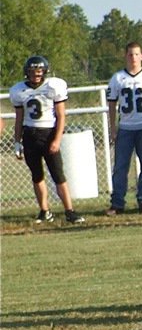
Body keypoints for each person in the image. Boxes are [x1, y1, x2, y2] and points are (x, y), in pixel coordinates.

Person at [9, 55, 85, 224]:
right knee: (37, 175)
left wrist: (57, 139)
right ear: (27, 73)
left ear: (44, 72)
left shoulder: (53, 86)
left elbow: (61, 116)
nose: (36, 75)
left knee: (58, 175)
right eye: (33, 72)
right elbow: (19, 118)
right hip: (30, 135)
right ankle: (45, 211)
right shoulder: (19, 90)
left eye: (39, 71)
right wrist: (16, 142)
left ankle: (69, 211)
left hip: (49, 133)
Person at [105, 42, 142, 214]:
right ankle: (117, 203)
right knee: (120, 167)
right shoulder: (117, 78)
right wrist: (113, 128)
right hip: (125, 126)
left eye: (136, 54)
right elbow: (111, 104)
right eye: (130, 54)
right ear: (126, 56)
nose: (133, 58)